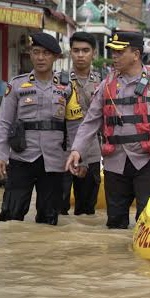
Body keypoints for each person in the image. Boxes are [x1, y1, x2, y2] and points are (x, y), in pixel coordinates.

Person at [65, 31, 150, 229]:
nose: (114, 57)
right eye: (113, 52)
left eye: (120, 52)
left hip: (147, 162)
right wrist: (77, 150)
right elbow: (90, 121)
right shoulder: (106, 85)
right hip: (114, 163)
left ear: (135, 54)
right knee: (115, 222)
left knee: (147, 221)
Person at [0, 33, 83, 225]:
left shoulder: (67, 88)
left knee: (49, 220)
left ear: (55, 57)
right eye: (36, 52)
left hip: (54, 160)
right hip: (21, 158)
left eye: (46, 53)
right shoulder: (17, 85)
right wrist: (1, 155)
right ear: (30, 55)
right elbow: (3, 122)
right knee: (11, 217)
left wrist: (75, 155)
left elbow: (74, 126)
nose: (40, 58)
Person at [60, 32, 103, 216]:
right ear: (71, 53)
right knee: (56, 210)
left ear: (94, 53)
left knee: (86, 214)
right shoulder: (59, 81)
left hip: (92, 153)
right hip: (62, 153)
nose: (80, 55)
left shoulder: (103, 83)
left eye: (85, 50)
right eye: (76, 50)